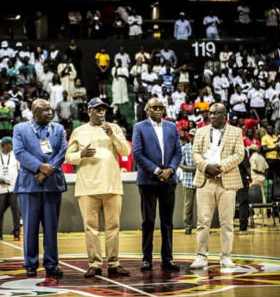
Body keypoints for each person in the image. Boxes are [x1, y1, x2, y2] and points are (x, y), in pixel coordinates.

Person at [65, 97, 132, 278]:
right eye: (97, 109)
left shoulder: (114, 129)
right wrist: (81, 153)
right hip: (88, 186)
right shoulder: (79, 131)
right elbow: (68, 157)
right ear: (89, 112)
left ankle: (113, 263)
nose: (101, 112)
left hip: (111, 184)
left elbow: (126, 152)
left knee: (113, 226)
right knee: (91, 228)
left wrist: (111, 134)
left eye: (103, 109)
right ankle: (94, 263)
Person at [13, 98, 67, 277]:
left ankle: (51, 264)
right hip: (29, 184)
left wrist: (45, 171)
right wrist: (39, 167)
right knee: (30, 227)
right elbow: (19, 152)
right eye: (45, 110)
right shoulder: (20, 129)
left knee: (51, 227)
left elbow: (62, 152)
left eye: (51, 109)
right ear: (34, 113)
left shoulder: (58, 129)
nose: (50, 112)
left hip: (51, 184)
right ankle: (31, 263)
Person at [189, 103, 245, 270]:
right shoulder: (201, 131)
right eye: (210, 113)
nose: (212, 116)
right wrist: (207, 166)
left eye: (216, 113)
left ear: (224, 115)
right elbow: (195, 153)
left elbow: (239, 154)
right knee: (202, 221)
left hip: (226, 181)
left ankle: (226, 257)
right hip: (205, 180)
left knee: (227, 222)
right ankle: (201, 256)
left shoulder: (236, 132)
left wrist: (220, 167)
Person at [132, 97, 182, 272]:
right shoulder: (139, 127)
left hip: (169, 180)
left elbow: (178, 152)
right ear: (147, 110)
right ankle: (147, 259)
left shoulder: (172, 127)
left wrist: (170, 170)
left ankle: (167, 259)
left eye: (161, 107)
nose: (158, 110)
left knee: (167, 222)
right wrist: (157, 171)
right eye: (154, 107)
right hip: (149, 180)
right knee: (148, 221)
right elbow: (137, 154)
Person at [0, 136, 20, 241]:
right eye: (11, 144)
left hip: (13, 187)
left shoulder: (15, 155)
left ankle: (16, 234)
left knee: (16, 212)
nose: (13, 146)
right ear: (6, 145)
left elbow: (21, 169)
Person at [180, 128, 197, 234]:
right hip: (188, 180)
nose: (192, 138)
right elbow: (180, 163)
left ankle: (202, 226)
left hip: (201, 180)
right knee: (188, 205)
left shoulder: (204, 148)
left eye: (194, 135)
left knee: (203, 206)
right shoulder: (185, 148)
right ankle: (188, 226)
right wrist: (191, 169)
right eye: (191, 136)